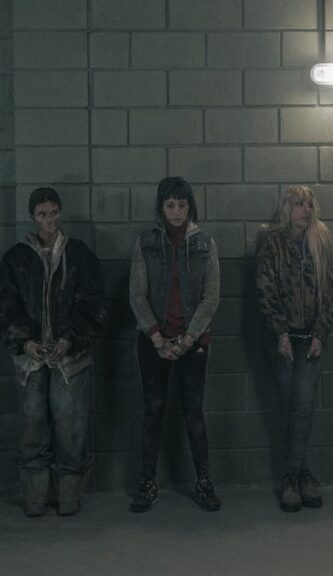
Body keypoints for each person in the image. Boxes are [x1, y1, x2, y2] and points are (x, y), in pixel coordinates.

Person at [0, 188, 106, 517]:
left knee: (71, 425)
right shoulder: (15, 258)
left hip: (70, 359)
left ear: (61, 213)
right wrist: (25, 341)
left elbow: (94, 302)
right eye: (42, 214)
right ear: (33, 217)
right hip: (30, 360)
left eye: (54, 213)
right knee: (32, 425)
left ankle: (70, 492)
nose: (49, 220)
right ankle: (36, 494)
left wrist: (70, 339)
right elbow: (3, 305)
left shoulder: (80, 255)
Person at [128, 176, 222, 513]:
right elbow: (137, 293)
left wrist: (187, 339)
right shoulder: (147, 242)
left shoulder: (205, 243)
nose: (177, 211)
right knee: (153, 412)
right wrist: (155, 335)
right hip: (153, 342)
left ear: (190, 206)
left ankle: (203, 482)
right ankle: (148, 482)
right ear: (161, 208)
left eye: (182, 205)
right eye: (170, 205)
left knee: (194, 414)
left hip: (192, 344)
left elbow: (211, 297)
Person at [255, 185, 333, 513]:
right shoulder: (271, 242)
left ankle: (292, 477)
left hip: (311, 339)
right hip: (284, 339)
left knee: (303, 405)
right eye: (298, 204)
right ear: (286, 208)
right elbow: (265, 289)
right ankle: (300, 476)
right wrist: (280, 333)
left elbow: (332, 290)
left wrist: (321, 331)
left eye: (308, 204)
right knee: (288, 405)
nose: (304, 210)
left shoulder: (322, 241)